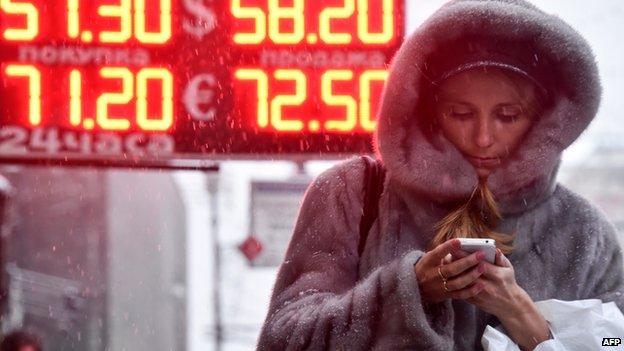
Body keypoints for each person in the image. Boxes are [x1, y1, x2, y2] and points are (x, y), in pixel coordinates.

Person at [257, 0, 624, 350]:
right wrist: (409, 291)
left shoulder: (585, 234)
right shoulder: (353, 195)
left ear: (542, 121)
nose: (483, 138)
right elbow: (284, 340)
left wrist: (524, 316)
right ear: (429, 114)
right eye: (461, 114)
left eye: (508, 116)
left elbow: (614, 342)